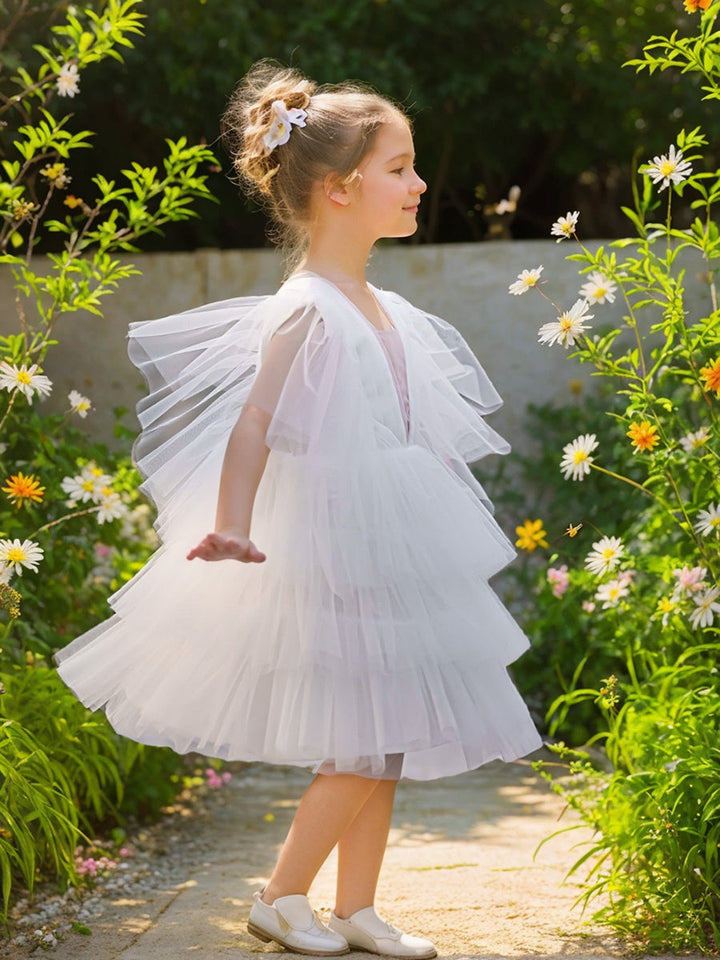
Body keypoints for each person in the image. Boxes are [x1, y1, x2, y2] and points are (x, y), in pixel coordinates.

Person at [55, 61, 543, 958]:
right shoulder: (307, 308)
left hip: (391, 535)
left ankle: (356, 906)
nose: (419, 184)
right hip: (337, 541)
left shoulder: (384, 305)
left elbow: (400, 421)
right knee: (360, 738)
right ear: (339, 188)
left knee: (387, 736)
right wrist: (234, 520)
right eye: (400, 167)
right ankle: (282, 896)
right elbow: (255, 424)